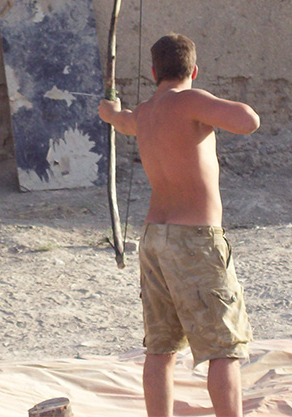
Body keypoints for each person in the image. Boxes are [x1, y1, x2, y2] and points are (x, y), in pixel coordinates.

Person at [98, 33, 260, 417]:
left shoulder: (145, 111)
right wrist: (202, 104)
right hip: (195, 239)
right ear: (194, 70)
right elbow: (248, 121)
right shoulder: (189, 101)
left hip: (154, 239)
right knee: (223, 348)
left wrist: (109, 109)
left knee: (160, 347)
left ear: (154, 71)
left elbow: (120, 122)